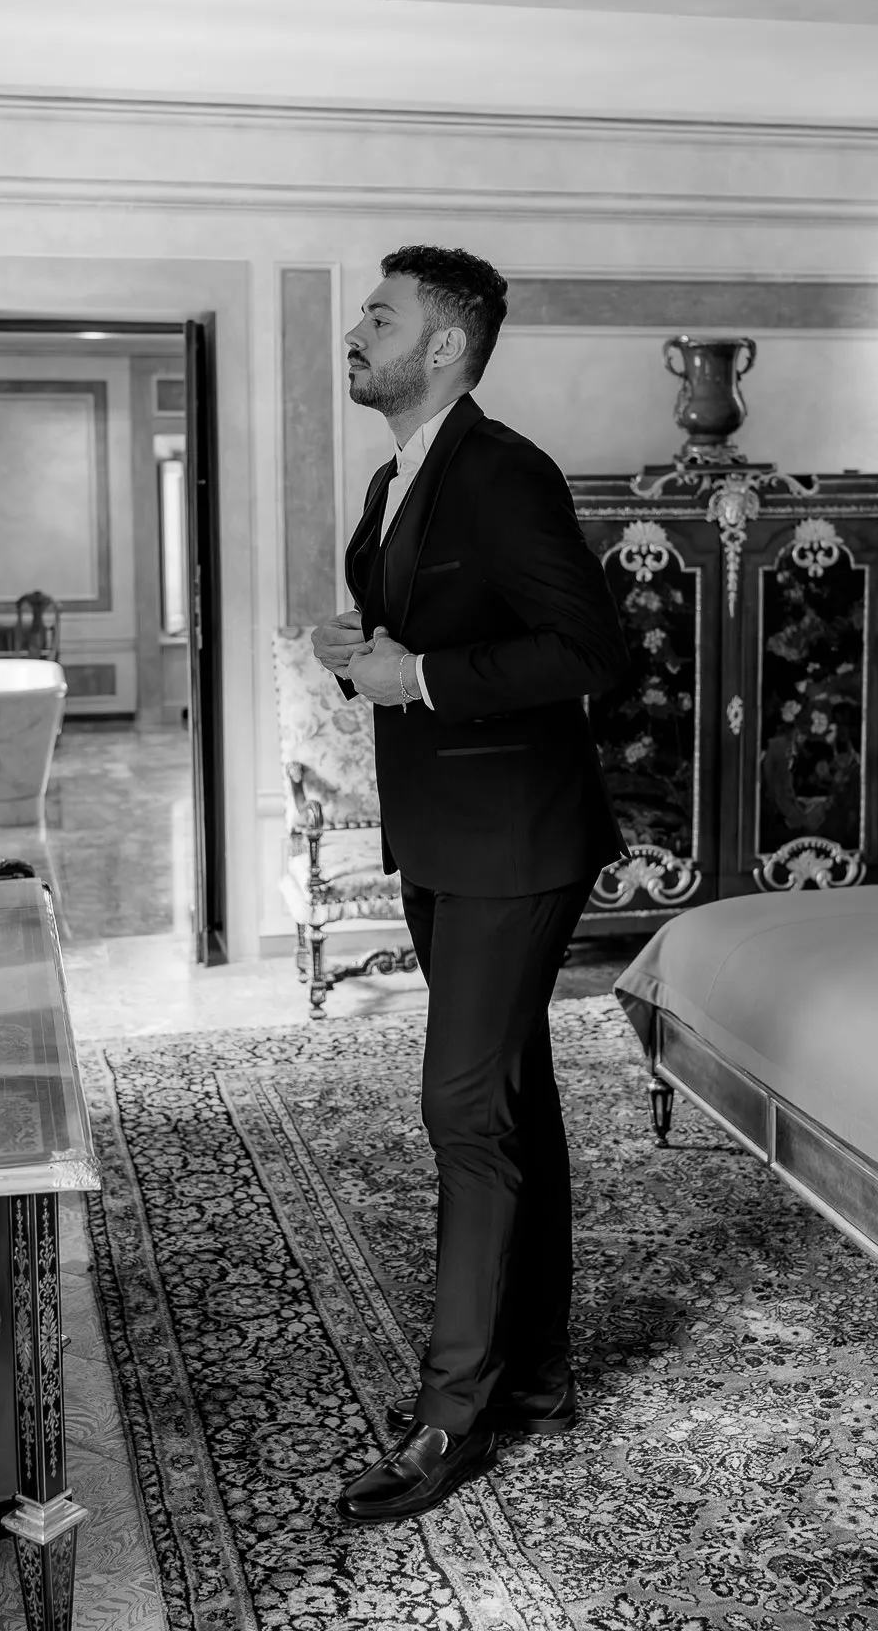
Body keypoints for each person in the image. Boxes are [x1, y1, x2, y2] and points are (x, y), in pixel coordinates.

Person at [311, 244, 629, 1527]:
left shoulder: (503, 471)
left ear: (443, 346)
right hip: (440, 836)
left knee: (462, 1113)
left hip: (514, 841)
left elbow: (583, 646)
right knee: (508, 1099)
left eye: (378, 316)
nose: (357, 330)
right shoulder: (399, 477)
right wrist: (364, 654)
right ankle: (534, 1377)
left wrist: (420, 679)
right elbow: (420, 641)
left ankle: (453, 1416)